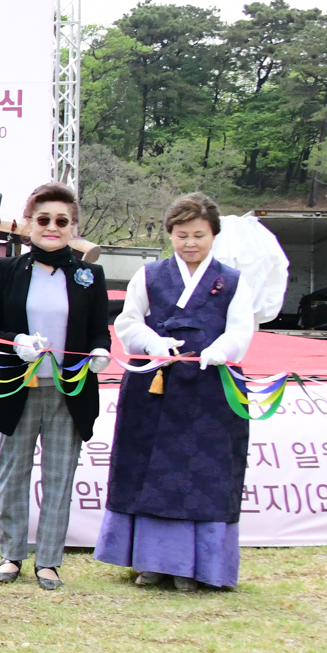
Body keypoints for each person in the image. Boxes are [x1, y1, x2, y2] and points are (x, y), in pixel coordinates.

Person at [101, 193, 257, 591]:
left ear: (213, 236)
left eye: (199, 235)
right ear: (170, 234)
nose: (190, 243)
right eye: (182, 234)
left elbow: (241, 329)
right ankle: (149, 563)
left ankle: (198, 566)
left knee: (204, 476)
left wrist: (222, 349)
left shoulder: (233, 281)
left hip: (211, 389)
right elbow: (128, 322)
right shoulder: (149, 276)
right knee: (148, 471)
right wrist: (151, 342)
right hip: (154, 386)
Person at [0, 183, 111, 591]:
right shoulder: (6, 271)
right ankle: (11, 555)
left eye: (62, 221)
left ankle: (49, 560)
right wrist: (15, 342)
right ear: (29, 223)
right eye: (44, 219)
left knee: (59, 475)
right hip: (18, 385)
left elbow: (97, 331)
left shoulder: (90, 275)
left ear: (74, 227)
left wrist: (100, 351)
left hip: (68, 391)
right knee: (13, 472)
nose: (52, 227)